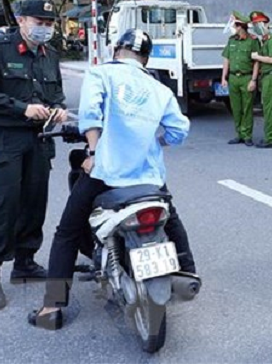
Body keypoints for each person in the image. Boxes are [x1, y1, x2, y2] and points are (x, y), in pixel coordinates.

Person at [28, 29, 197, 331]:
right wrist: (150, 142)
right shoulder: (158, 88)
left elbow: (91, 114)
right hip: (148, 178)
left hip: (108, 174)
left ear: (117, 50)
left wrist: (93, 153)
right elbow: (178, 131)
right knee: (171, 217)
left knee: (66, 232)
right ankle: (187, 274)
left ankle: (51, 308)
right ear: (145, 57)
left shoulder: (102, 73)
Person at [0, 0, 68, 311]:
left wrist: (58, 110)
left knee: (34, 204)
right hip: (2, 139)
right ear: (22, 20)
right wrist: (22, 109)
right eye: (39, 22)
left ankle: (25, 261)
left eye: (50, 24)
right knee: (1, 206)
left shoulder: (49, 55)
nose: (45, 28)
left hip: (38, 140)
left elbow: (56, 94)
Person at [221, 12, 260, 146]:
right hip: (233, 78)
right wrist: (223, 78)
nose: (234, 29)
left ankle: (247, 135)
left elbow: (256, 62)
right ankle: (239, 134)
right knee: (235, 108)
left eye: (236, 26)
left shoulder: (253, 41)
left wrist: (253, 80)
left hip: (246, 77)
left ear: (241, 27)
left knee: (247, 108)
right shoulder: (232, 40)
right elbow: (226, 59)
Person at [249, 11, 272, 148]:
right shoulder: (264, 40)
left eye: (258, 23)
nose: (257, 26)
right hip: (268, 76)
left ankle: (270, 139)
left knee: (268, 108)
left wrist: (257, 57)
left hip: (271, 76)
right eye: (255, 24)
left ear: (266, 24)